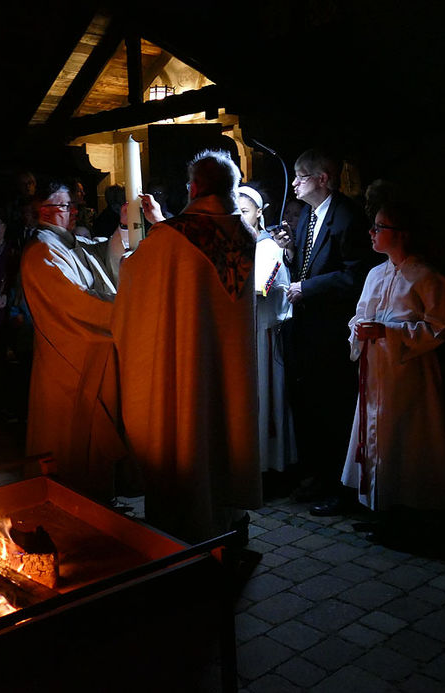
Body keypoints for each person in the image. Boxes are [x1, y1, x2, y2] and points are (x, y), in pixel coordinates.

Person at [112, 149, 261, 543]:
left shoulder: (174, 239)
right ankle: (229, 521)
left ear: (194, 187)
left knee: (188, 433)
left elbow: (137, 271)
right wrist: (162, 226)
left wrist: (134, 250)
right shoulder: (245, 233)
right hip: (228, 370)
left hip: (188, 369)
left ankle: (184, 532)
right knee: (223, 431)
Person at [339, 194, 445, 524]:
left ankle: (405, 510)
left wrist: (388, 332)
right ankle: (376, 504)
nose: (372, 233)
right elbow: (360, 315)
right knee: (374, 435)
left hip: (408, 373)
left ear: (401, 233)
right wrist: (359, 329)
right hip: (376, 371)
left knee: (403, 436)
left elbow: (438, 328)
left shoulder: (426, 277)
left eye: (379, 227)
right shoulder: (376, 274)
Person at [270, 148, 373, 515]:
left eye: (301, 175)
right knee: (312, 405)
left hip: (332, 332)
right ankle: (319, 475)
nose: (294, 182)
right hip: (308, 330)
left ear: (323, 179)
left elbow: (357, 274)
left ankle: (341, 488)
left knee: (334, 409)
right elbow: (308, 265)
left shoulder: (347, 218)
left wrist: (307, 289)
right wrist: (288, 252)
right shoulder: (309, 217)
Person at [20, 180, 127, 501]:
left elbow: (98, 252)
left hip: (83, 361)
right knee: (69, 449)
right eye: (65, 206)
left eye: (72, 206)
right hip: (69, 365)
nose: (73, 212)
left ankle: (95, 506)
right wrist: (130, 311)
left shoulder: (65, 243)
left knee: (88, 454)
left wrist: (126, 225)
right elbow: (78, 303)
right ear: (44, 211)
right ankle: (70, 507)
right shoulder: (42, 253)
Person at [240, 184, 297, 482]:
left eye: (245, 211)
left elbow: (259, 289)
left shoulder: (268, 247)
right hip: (243, 335)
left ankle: (271, 466)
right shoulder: (238, 245)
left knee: (266, 400)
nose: (239, 216)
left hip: (264, 333)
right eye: (235, 210)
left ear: (260, 213)